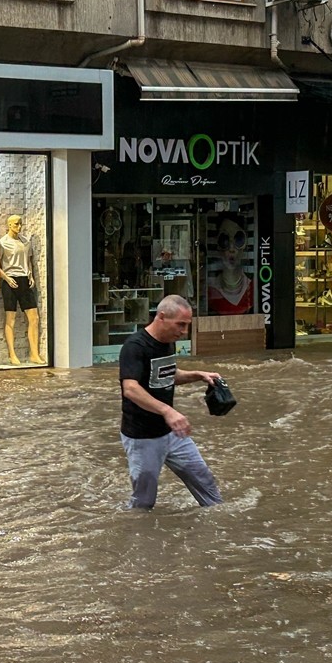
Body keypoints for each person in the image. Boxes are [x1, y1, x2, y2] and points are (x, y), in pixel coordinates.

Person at [119, 294, 224, 509]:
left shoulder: (168, 342)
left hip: (173, 433)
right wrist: (168, 411)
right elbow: (130, 388)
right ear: (162, 317)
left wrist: (198, 375)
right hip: (143, 437)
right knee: (144, 502)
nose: (184, 332)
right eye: (180, 325)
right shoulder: (135, 347)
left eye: (187, 325)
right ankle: (135, 537)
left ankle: (223, 530)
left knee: (206, 484)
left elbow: (166, 374)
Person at [0, 214, 43, 364]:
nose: (19, 227)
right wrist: (6, 278)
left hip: (24, 279)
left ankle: (34, 353)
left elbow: (28, 261)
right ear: (9, 225)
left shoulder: (25, 242)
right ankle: (12, 354)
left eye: (20, 224)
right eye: (16, 224)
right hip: (9, 280)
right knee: (11, 318)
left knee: (34, 317)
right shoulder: (2, 243)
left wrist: (31, 275)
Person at [205, 213, 253, 316]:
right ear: (217, 244)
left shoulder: (253, 291)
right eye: (224, 240)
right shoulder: (209, 290)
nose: (231, 249)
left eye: (238, 240)